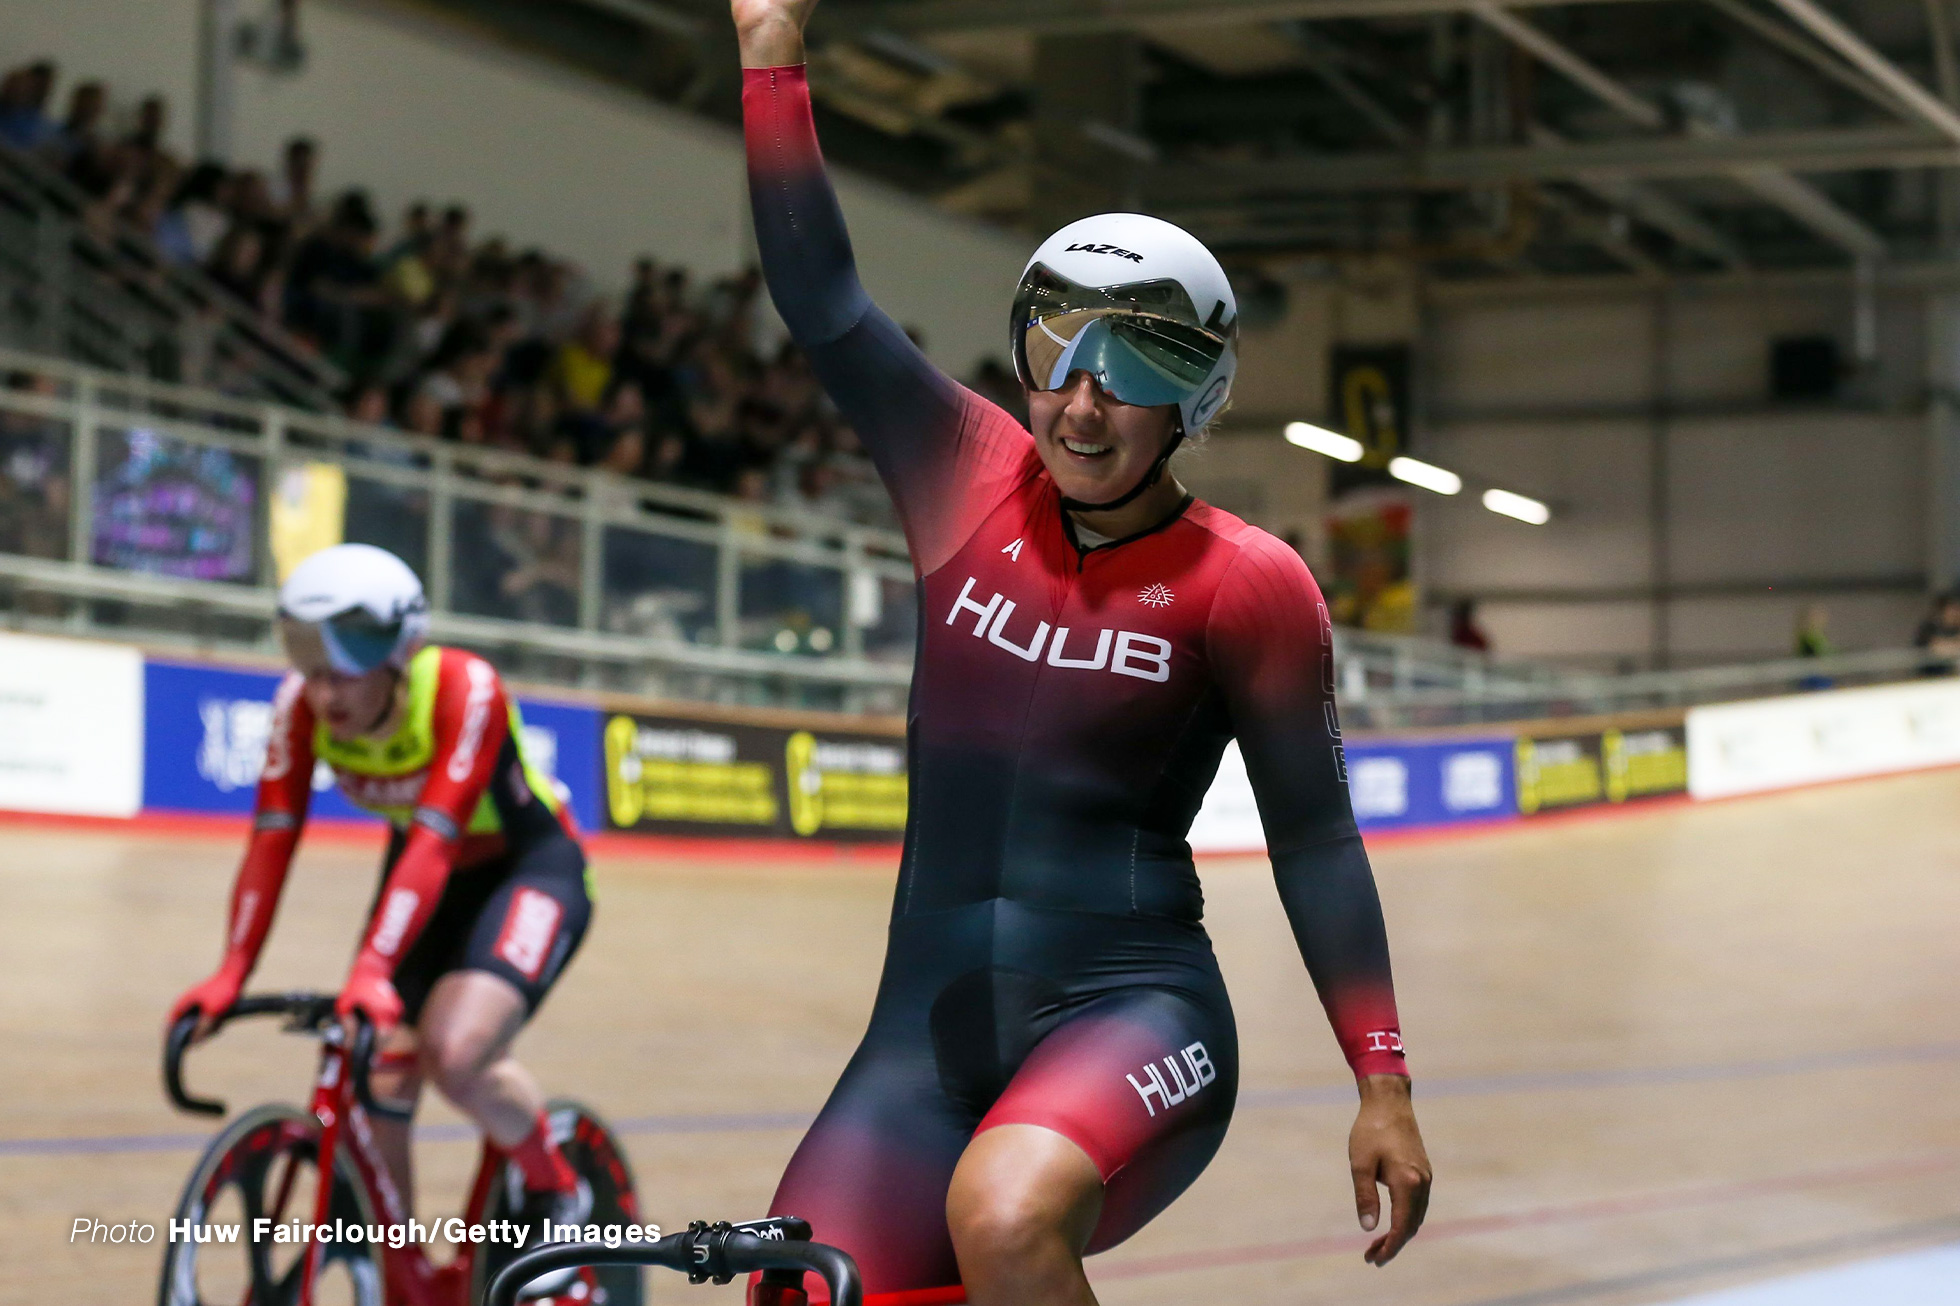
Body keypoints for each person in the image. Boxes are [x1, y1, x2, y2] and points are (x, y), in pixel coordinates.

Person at [731, 3, 1432, 1304]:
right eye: (1056, 347)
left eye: (1137, 359)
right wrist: (771, 56)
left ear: (1199, 396)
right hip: (923, 1043)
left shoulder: (1248, 583)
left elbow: (1317, 839)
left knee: (1002, 1216)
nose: (1083, 397)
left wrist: (1380, 1077)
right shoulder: (964, 472)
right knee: (799, 1286)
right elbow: (824, 303)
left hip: (1134, 1017)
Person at [167, 545, 594, 1292]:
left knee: (456, 1053)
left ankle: (561, 1188)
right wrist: (231, 973)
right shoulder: (299, 707)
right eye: (308, 661)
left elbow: (434, 833)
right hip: (427, 878)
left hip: (528, 871)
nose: (324, 689)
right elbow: (272, 839)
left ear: (399, 652)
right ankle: (409, 1280)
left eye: (343, 666)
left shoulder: (465, 688)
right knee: (376, 1069)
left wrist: (370, 970)